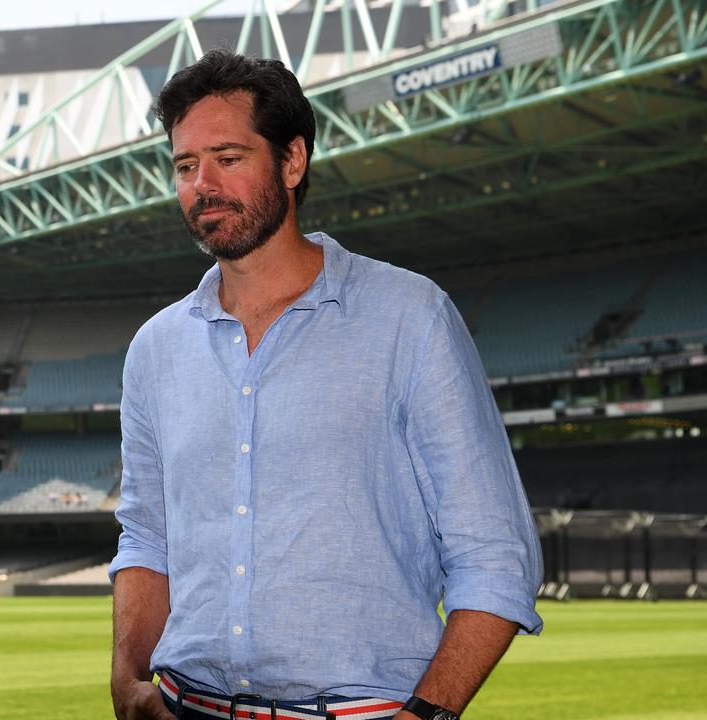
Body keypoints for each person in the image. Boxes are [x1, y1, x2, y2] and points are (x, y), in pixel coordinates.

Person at [109, 51, 542, 720]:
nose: (202, 184)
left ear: (292, 161)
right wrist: (127, 680)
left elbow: (495, 553)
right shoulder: (154, 349)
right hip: (183, 706)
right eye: (186, 165)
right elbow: (145, 537)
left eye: (228, 157)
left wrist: (428, 713)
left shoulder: (410, 317)